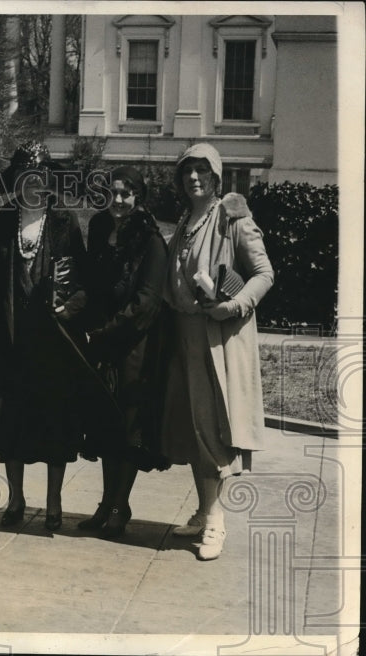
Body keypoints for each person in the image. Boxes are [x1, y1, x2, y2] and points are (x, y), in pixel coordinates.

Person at [161, 143, 274, 560]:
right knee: (193, 428)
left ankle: (217, 522)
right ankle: (204, 509)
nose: (194, 178)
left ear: (216, 177)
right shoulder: (186, 220)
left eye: (202, 172)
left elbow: (265, 273)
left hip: (219, 339)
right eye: (187, 171)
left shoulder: (232, 218)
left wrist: (234, 304)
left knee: (214, 428)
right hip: (184, 337)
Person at [0, 141, 104, 531]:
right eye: (24, 176)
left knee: (55, 422)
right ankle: (16, 498)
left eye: (38, 176)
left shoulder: (64, 221)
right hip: (13, 339)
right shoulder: (4, 222)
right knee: (11, 423)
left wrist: (68, 309)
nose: (31, 183)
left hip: (53, 343)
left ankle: (54, 502)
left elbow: (85, 281)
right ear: (15, 180)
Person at [80, 165, 170, 539]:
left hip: (134, 346)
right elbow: (91, 280)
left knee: (129, 428)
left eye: (126, 194)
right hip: (101, 343)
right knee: (105, 425)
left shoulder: (150, 240)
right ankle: (106, 502)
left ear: (138, 197)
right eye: (113, 193)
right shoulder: (100, 228)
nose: (118, 201)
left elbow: (147, 302)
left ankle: (120, 504)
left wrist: (105, 332)